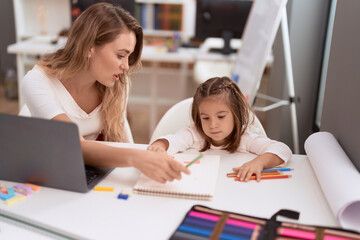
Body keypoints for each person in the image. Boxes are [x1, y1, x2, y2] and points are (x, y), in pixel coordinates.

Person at [21, 2, 189, 183]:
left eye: (128, 56)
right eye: (120, 55)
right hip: (45, 179)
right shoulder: (37, 81)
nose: (126, 66)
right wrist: (137, 158)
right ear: (89, 48)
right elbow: (73, 145)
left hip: (89, 177)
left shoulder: (116, 84)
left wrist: (145, 166)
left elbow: (124, 141)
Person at [148, 76, 292, 182]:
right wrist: (159, 146)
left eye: (221, 117)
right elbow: (174, 140)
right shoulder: (194, 134)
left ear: (236, 114)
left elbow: (282, 149)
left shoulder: (245, 137)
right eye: (205, 118)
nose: (213, 125)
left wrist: (259, 162)